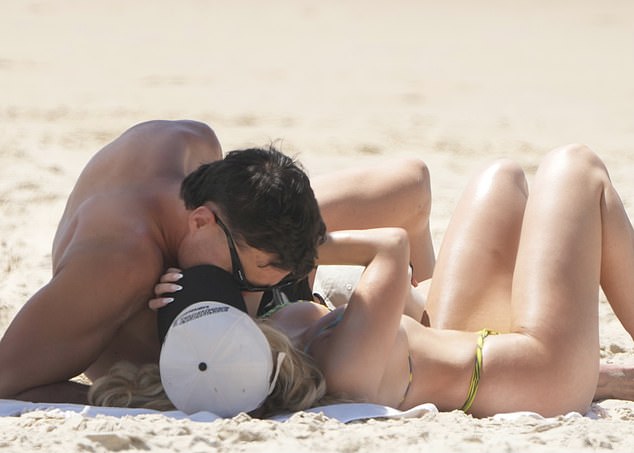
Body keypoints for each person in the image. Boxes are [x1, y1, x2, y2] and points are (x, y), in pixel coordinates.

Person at [91, 144, 634, 417]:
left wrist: (179, 298)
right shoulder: (343, 363)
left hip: (459, 337)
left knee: (503, 178)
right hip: (538, 372)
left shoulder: (264, 358)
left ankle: (604, 375)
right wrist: (289, 249)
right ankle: (589, 372)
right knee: (575, 166)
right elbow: (391, 247)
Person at [0, 119, 434, 404]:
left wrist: (288, 258)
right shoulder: (119, 266)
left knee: (410, 186)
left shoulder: (191, 141)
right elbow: (7, 382)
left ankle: (424, 296)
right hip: (150, 322)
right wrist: (146, 401)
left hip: (221, 244)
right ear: (201, 220)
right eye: (247, 280)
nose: (255, 300)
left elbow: (243, 241)